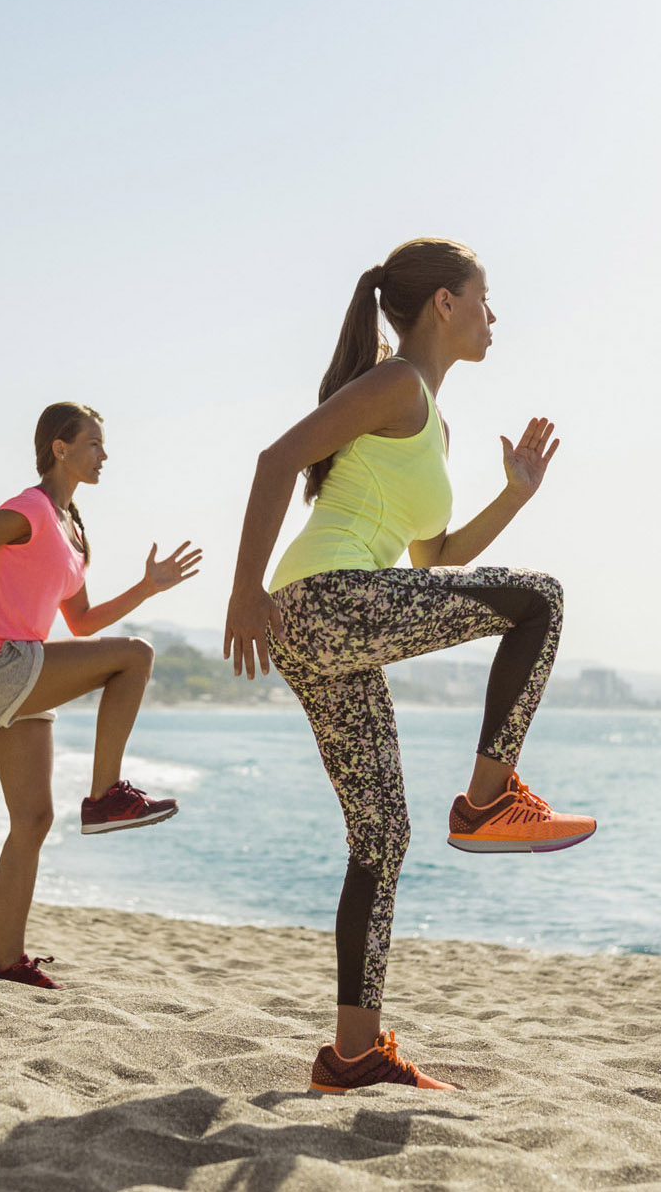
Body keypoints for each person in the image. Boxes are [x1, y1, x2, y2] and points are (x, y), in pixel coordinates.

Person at [223, 238, 592, 1094]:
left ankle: (353, 1051)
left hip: (336, 621)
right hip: (322, 600)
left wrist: (516, 493)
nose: (495, 315)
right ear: (443, 305)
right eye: (484, 297)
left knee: (381, 837)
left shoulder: (430, 417)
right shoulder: (395, 383)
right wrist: (245, 589)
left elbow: (435, 559)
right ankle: (490, 796)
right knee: (541, 598)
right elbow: (275, 461)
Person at [0, 402, 202, 990]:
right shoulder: (31, 510)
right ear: (60, 449)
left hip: (22, 674)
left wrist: (148, 585)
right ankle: (105, 795)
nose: (104, 454)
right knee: (137, 655)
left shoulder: (73, 529)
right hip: (3, 663)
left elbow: (85, 622)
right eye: (93, 443)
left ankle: (6, 961)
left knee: (33, 819)